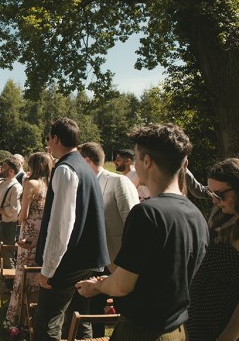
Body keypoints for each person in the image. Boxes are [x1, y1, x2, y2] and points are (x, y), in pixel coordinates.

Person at [76, 123, 209, 340]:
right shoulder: (196, 214)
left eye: (137, 158)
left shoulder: (147, 214)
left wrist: (97, 287)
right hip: (179, 330)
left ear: (146, 161)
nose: (136, 164)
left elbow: (122, 285)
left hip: (143, 331)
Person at [33, 117, 109, 341]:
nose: (48, 143)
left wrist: (48, 268)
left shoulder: (66, 169)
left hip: (68, 261)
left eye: (48, 138)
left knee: (47, 321)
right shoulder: (84, 166)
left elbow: (61, 225)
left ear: (55, 138)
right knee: (79, 316)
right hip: (85, 260)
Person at [187, 158, 239, 341]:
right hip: (199, 314)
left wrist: (229, 335)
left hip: (222, 318)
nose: (215, 201)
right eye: (212, 194)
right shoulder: (222, 214)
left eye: (220, 194)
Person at [6, 152, 53, 326]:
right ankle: (35, 316)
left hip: (29, 231)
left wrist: (19, 216)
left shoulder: (31, 183)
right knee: (37, 272)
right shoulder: (49, 184)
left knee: (23, 273)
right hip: (43, 232)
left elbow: (23, 215)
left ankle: (19, 318)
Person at [79, 142, 139, 268]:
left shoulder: (118, 181)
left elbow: (132, 223)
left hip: (116, 260)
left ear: (86, 161)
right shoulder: (83, 184)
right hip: (90, 261)